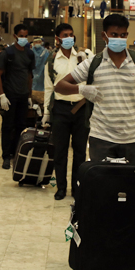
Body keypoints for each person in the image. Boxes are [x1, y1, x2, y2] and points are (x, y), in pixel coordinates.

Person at [55, 14, 135, 165]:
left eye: (123, 35)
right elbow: (60, 86)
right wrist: (81, 89)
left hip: (132, 136)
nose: (119, 39)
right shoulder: (93, 63)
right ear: (104, 35)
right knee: (101, 179)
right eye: (114, 34)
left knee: (129, 179)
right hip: (101, 137)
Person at [42, 23, 89, 200]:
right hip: (60, 108)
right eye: (65, 35)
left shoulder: (83, 56)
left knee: (80, 151)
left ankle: (77, 188)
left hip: (81, 108)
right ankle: (61, 188)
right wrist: (46, 112)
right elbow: (49, 87)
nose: (69, 38)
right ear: (58, 38)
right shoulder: (52, 60)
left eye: (71, 34)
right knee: (60, 151)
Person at [0, 23, 35, 169]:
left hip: (23, 95)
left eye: (26, 36)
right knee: (7, 126)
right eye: (21, 36)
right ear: (15, 36)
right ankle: (6, 156)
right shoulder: (8, 53)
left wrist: (29, 95)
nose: (24, 38)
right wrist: (2, 95)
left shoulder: (29, 54)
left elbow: (29, 75)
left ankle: (17, 153)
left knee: (21, 126)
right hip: (10, 95)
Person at [31, 36, 50, 103]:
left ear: (42, 43)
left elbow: (47, 64)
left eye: (39, 42)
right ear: (33, 43)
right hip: (32, 75)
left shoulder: (45, 52)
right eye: (36, 42)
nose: (38, 43)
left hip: (42, 76)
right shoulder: (30, 52)